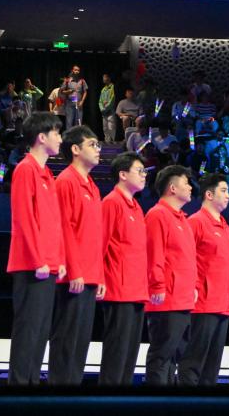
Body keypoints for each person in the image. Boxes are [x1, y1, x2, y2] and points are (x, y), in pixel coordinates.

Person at [7, 112, 64, 385]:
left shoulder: (47, 174)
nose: (60, 139)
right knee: (28, 330)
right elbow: (24, 218)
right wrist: (37, 258)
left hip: (48, 264)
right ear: (42, 137)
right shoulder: (25, 169)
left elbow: (53, 222)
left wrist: (59, 259)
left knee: (41, 332)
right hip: (33, 264)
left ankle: (30, 387)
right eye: (57, 133)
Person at [50, 125, 104, 385]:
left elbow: (96, 236)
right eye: (92, 144)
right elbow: (64, 229)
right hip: (74, 276)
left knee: (81, 341)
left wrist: (100, 275)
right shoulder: (66, 181)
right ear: (75, 149)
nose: (98, 149)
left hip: (90, 275)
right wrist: (74, 270)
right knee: (67, 339)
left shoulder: (92, 186)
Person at [178, 173, 229, 386]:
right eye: (223, 191)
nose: (228, 195)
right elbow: (185, 260)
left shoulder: (225, 225)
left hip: (223, 306)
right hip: (202, 305)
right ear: (209, 195)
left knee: (212, 369)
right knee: (193, 363)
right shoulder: (196, 222)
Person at [144, 165, 197, 385]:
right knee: (161, 357)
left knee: (174, 358)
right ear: (173, 188)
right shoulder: (157, 215)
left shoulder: (182, 219)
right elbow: (153, 254)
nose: (190, 187)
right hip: (166, 300)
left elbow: (187, 259)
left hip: (183, 299)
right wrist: (157, 286)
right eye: (186, 183)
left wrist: (193, 287)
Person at [99, 151, 148, 386]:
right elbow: (100, 244)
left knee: (129, 357)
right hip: (119, 290)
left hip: (137, 291)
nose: (144, 175)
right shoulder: (111, 203)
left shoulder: (136, 207)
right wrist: (99, 278)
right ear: (123, 174)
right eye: (139, 171)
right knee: (116, 355)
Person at [99, 73, 117, 144]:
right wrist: (102, 109)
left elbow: (112, 99)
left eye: (105, 77)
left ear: (109, 78)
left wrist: (106, 108)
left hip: (110, 111)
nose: (104, 79)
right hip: (104, 111)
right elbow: (100, 101)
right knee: (105, 127)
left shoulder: (112, 87)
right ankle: (107, 141)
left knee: (111, 126)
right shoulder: (103, 89)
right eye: (103, 78)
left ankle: (112, 140)